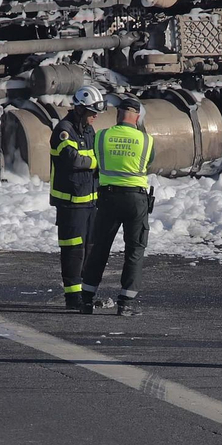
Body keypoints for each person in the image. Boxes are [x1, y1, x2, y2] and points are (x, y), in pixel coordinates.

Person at [80, 96, 155, 316]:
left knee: (99, 249)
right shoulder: (147, 140)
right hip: (136, 200)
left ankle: (86, 300)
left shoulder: (102, 136)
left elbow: (96, 161)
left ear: (118, 115)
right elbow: (149, 162)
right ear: (137, 117)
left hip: (107, 198)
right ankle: (126, 304)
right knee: (134, 250)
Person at [49, 86, 103, 309]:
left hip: (90, 203)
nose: (95, 117)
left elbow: (89, 155)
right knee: (73, 251)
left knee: (90, 250)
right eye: (91, 112)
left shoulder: (88, 130)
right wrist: (98, 161)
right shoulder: (64, 131)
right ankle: (72, 298)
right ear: (80, 109)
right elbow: (74, 160)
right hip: (70, 204)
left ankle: (85, 296)